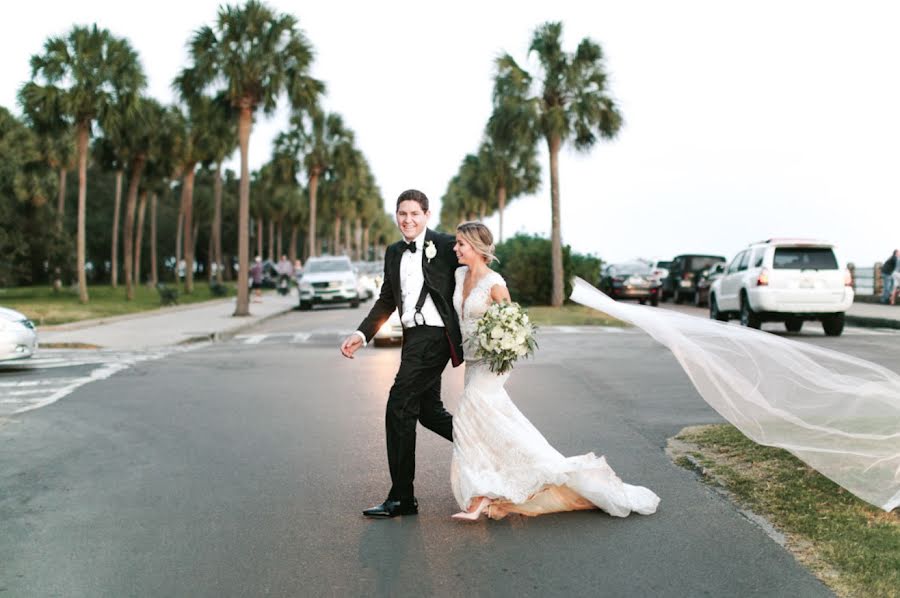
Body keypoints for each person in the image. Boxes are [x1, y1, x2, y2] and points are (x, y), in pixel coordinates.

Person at [449, 221, 660, 521]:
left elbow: (513, 324)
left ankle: (479, 497)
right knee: (491, 422)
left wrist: (501, 347)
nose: (455, 248)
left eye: (461, 244)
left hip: (491, 364)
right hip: (471, 361)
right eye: (456, 243)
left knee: (467, 415)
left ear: (477, 247)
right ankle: (518, 477)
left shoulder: (494, 282)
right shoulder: (460, 275)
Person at [339, 189, 463, 518]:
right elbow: (386, 300)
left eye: (414, 214)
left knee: (398, 406)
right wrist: (362, 333)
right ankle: (481, 444)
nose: (407, 220)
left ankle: (402, 497)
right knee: (428, 411)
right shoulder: (394, 252)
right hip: (413, 338)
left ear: (426, 215)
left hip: (435, 337)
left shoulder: (447, 244)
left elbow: (478, 263)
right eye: (402, 214)